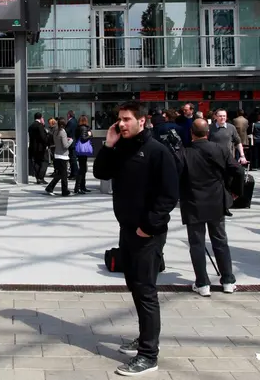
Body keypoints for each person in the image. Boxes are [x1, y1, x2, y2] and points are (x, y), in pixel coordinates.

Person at [93, 102, 179, 377]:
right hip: (127, 230)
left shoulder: (157, 152)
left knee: (145, 290)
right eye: (119, 119)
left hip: (147, 233)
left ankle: (148, 355)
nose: (122, 124)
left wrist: (148, 226)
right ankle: (144, 339)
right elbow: (101, 173)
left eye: (127, 119)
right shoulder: (122, 147)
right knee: (135, 285)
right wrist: (108, 145)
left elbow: (169, 195)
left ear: (142, 121)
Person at [179, 119, 244, 297]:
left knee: (197, 244)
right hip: (216, 200)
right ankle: (228, 281)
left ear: (191, 133)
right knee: (220, 241)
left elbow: (176, 176)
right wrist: (235, 192)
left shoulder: (184, 153)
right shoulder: (220, 149)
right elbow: (238, 170)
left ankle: (202, 284)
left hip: (193, 202)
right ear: (208, 132)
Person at [45, 117, 72, 197]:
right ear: (64, 124)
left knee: (60, 174)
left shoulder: (56, 131)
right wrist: (70, 141)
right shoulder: (62, 132)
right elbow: (65, 145)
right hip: (63, 155)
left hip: (57, 154)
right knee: (64, 175)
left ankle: (50, 187)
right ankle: (65, 191)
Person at [28, 112, 49, 185]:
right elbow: (43, 137)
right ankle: (41, 177)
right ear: (41, 118)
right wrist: (47, 143)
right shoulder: (40, 126)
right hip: (41, 147)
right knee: (45, 162)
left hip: (33, 147)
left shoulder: (31, 126)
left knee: (36, 162)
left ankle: (38, 178)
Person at [74, 114, 93, 194]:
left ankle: (82, 187)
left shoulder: (78, 128)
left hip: (80, 150)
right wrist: (89, 135)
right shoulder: (84, 128)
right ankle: (78, 187)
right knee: (82, 169)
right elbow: (83, 138)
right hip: (83, 151)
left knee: (83, 168)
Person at [65, 110, 79, 179]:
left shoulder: (70, 122)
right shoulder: (75, 121)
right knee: (73, 159)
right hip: (74, 141)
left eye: (67, 115)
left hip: (71, 142)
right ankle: (73, 173)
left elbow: (67, 131)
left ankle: (74, 174)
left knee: (72, 159)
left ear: (69, 115)